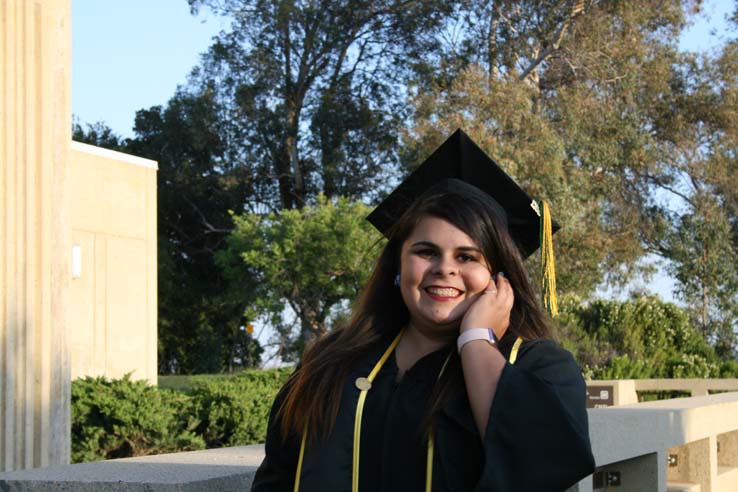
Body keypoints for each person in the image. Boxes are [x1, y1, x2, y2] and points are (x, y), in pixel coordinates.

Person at [251, 130, 595, 492]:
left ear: (499, 277)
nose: (444, 269)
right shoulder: (330, 364)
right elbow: (276, 478)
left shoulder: (538, 368)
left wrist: (477, 340)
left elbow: (541, 473)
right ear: (397, 267)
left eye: (467, 256)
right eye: (426, 252)